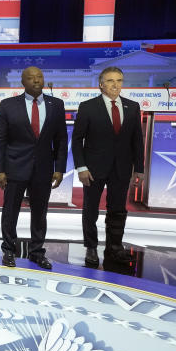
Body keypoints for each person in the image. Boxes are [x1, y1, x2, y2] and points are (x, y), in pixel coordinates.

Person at [0, 66, 67, 269]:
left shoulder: (56, 105)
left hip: (43, 169)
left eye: (40, 77)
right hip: (15, 167)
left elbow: (61, 139)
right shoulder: (8, 105)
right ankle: (8, 250)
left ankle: (36, 252)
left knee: (40, 213)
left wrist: (60, 168)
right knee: (10, 212)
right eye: (31, 78)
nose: (36, 80)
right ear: (23, 82)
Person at [72, 66, 144, 268]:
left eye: (119, 80)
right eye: (111, 81)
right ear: (101, 84)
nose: (115, 85)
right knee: (91, 210)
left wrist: (139, 168)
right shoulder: (87, 107)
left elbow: (137, 141)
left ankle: (115, 247)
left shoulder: (133, 107)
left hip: (121, 169)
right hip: (93, 170)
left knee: (118, 210)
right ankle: (91, 247)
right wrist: (81, 167)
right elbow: (77, 140)